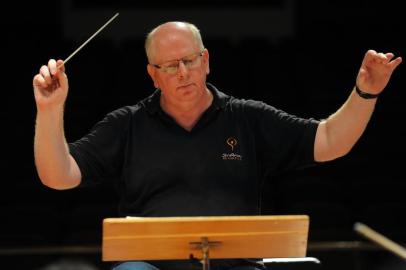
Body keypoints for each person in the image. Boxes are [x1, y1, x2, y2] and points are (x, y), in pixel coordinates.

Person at [32, 21, 402, 270]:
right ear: (152, 75)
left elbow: (329, 141)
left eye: (190, 60)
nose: (183, 73)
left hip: (238, 263)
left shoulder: (247, 117)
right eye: (170, 65)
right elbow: (57, 176)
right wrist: (50, 109)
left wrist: (365, 92)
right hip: (148, 266)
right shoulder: (126, 124)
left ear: (206, 61)